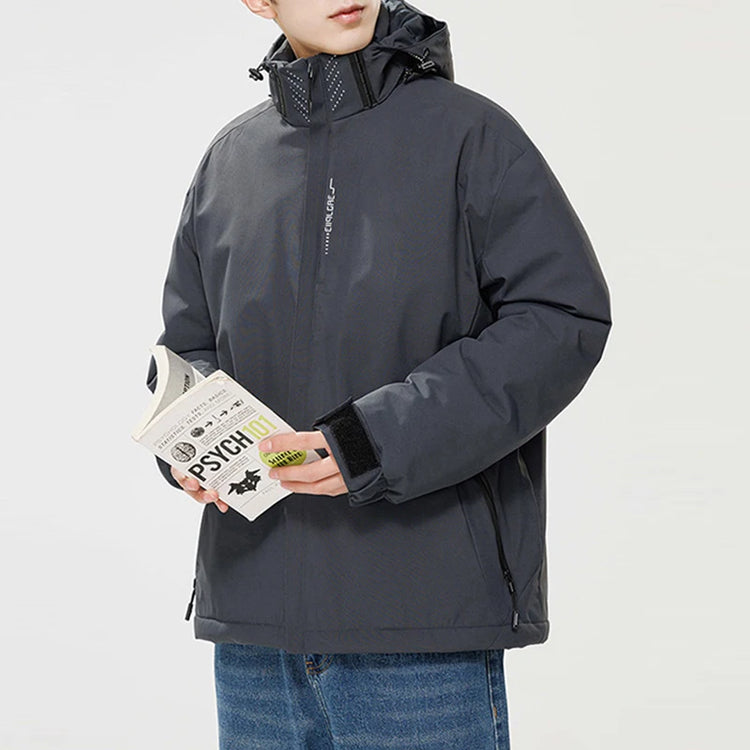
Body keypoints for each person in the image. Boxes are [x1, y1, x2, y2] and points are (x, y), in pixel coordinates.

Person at [145, 1, 612, 747]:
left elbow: (559, 321)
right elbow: (187, 347)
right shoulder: (230, 160)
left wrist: (371, 442)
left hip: (418, 626)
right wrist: (189, 447)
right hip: (254, 631)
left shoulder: (470, 135)